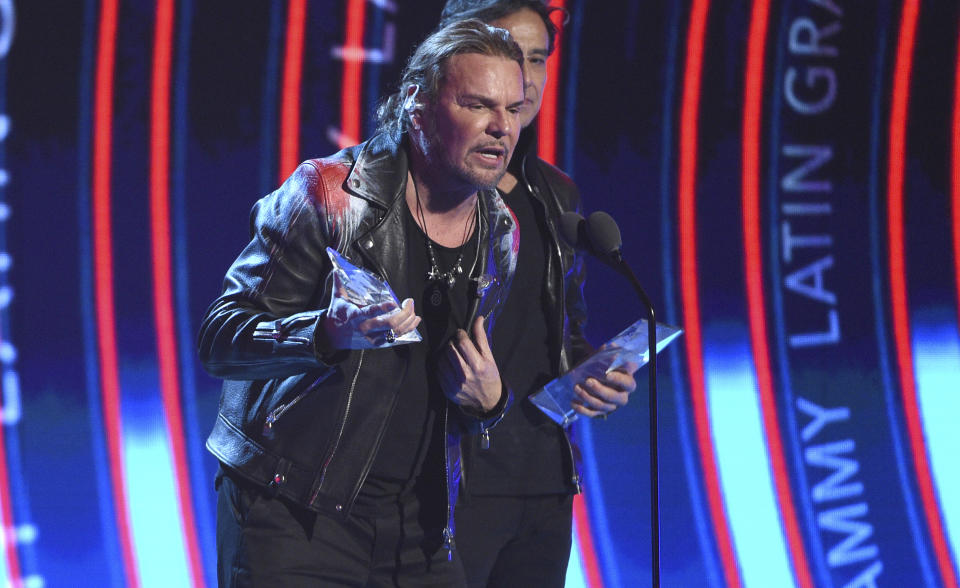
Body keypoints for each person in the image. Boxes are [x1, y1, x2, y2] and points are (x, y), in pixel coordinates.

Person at [198, 20, 527, 586]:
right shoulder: (328, 195)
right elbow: (220, 339)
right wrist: (323, 333)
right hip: (296, 512)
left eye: (514, 109)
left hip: (420, 528)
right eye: (477, 105)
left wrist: (489, 402)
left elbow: (459, 383)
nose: (502, 128)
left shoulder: (500, 231)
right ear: (416, 105)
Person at [438, 2, 638, 586]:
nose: (522, 79)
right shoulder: (413, 185)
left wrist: (592, 371)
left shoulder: (557, 193)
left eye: (536, 59)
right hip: (448, 488)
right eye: (505, 55)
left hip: (543, 484)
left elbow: (559, 328)